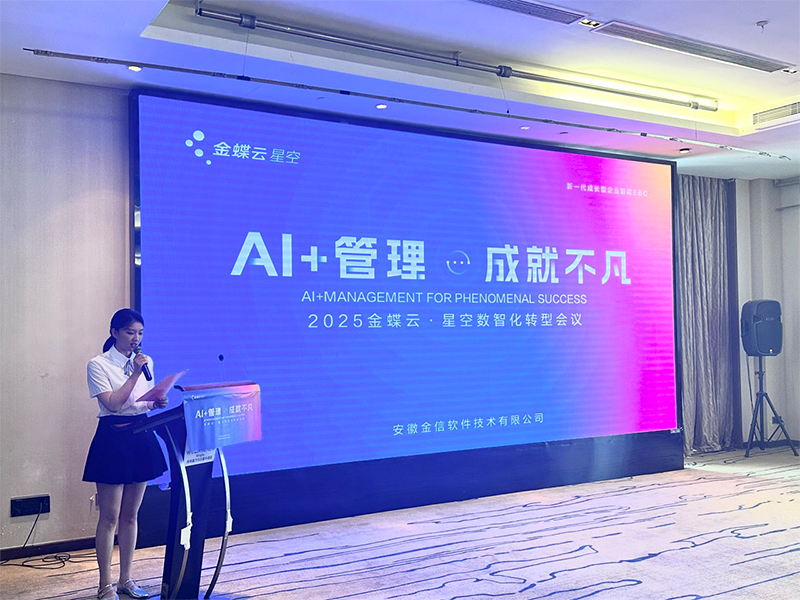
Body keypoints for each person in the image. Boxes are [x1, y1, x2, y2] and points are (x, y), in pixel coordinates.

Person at [82, 309, 168, 600]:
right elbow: (114, 404)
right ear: (114, 332)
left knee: (131, 515)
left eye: (140, 333)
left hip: (141, 436)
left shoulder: (146, 361)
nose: (136, 339)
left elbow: (140, 403)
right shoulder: (98, 364)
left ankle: (126, 580)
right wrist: (134, 373)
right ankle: (104, 585)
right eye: (130, 332)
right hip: (112, 440)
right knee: (109, 517)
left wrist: (155, 402)